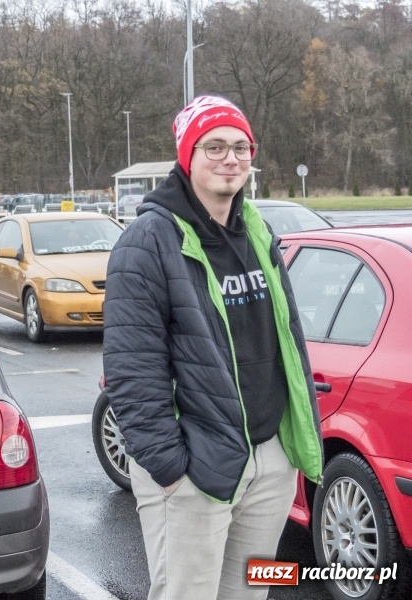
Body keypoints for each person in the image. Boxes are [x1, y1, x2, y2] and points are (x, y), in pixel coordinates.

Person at [102, 95, 323, 600]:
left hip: (269, 458)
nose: (231, 158)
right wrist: (171, 469)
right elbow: (132, 372)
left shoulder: (257, 230)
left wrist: (287, 451)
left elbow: (285, 339)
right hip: (194, 468)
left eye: (241, 147)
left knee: (249, 592)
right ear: (188, 155)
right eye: (215, 146)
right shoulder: (146, 242)